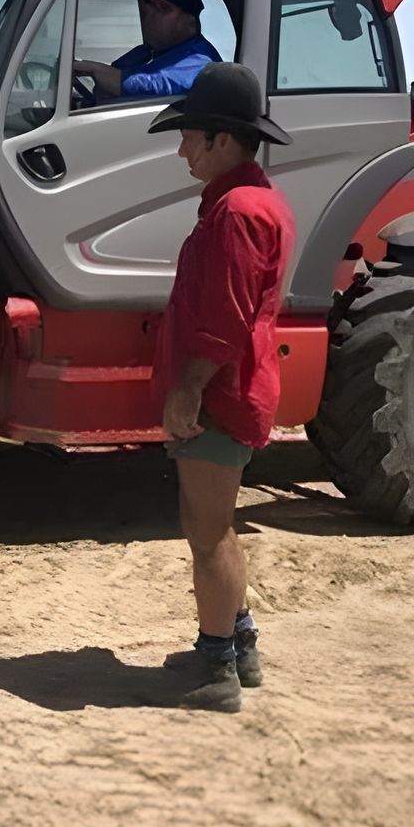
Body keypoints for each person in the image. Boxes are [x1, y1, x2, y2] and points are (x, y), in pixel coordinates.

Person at [147, 62, 296, 713]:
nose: (182, 149)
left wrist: (188, 391)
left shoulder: (237, 211)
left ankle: (217, 671)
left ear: (222, 140)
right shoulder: (248, 201)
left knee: (208, 534)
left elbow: (226, 321)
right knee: (216, 526)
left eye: (190, 136)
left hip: (223, 394)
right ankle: (237, 644)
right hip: (234, 388)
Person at [73, 0, 220, 102]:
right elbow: (111, 81)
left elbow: (157, 85)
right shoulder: (147, 52)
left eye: (148, 13)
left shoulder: (201, 59)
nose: (145, 22)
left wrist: (95, 69)